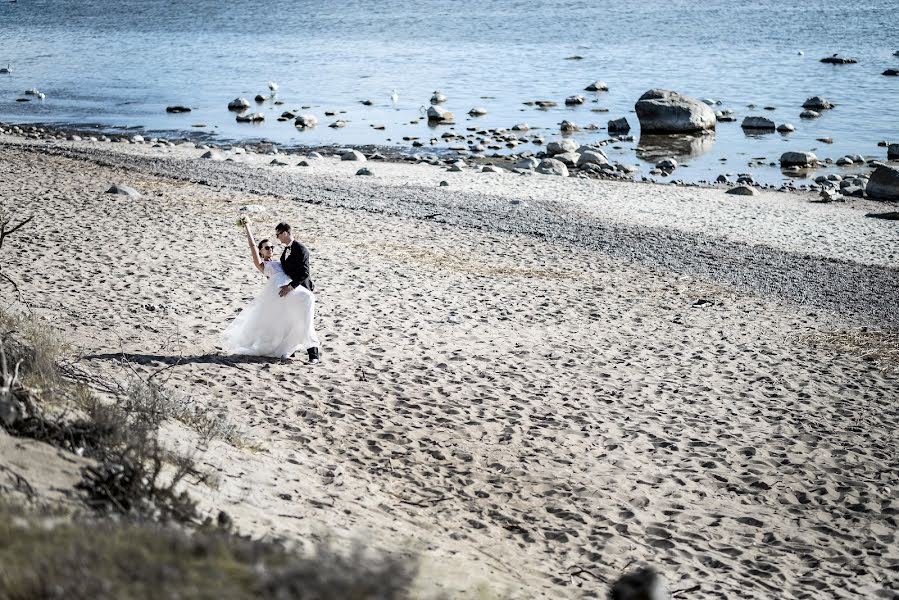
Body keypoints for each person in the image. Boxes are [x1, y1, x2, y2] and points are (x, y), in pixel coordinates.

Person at [222, 221, 321, 362]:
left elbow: (299, 270)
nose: (270, 249)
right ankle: (302, 351)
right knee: (293, 316)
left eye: (271, 247)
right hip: (280, 293)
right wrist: (247, 226)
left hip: (291, 290)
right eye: (266, 247)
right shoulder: (263, 265)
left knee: (293, 321)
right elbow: (252, 246)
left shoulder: (282, 261)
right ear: (261, 251)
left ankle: (296, 350)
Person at [275, 222, 320, 363]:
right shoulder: (286, 249)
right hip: (292, 292)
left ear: (285, 233)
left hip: (303, 291)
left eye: (278, 234)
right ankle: (290, 351)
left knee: (305, 323)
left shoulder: (301, 250)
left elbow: (304, 273)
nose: (277, 238)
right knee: (291, 321)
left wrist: (290, 286)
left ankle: (314, 356)